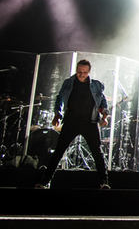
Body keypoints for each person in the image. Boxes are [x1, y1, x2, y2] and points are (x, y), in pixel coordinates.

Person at [35, 59, 110, 189]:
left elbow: (102, 102)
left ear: (89, 72)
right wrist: (57, 114)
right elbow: (60, 98)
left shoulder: (96, 85)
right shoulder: (69, 83)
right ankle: (45, 182)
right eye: (79, 71)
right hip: (71, 122)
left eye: (84, 72)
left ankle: (104, 183)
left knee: (97, 153)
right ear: (76, 70)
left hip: (89, 123)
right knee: (58, 151)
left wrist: (105, 116)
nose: (82, 74)